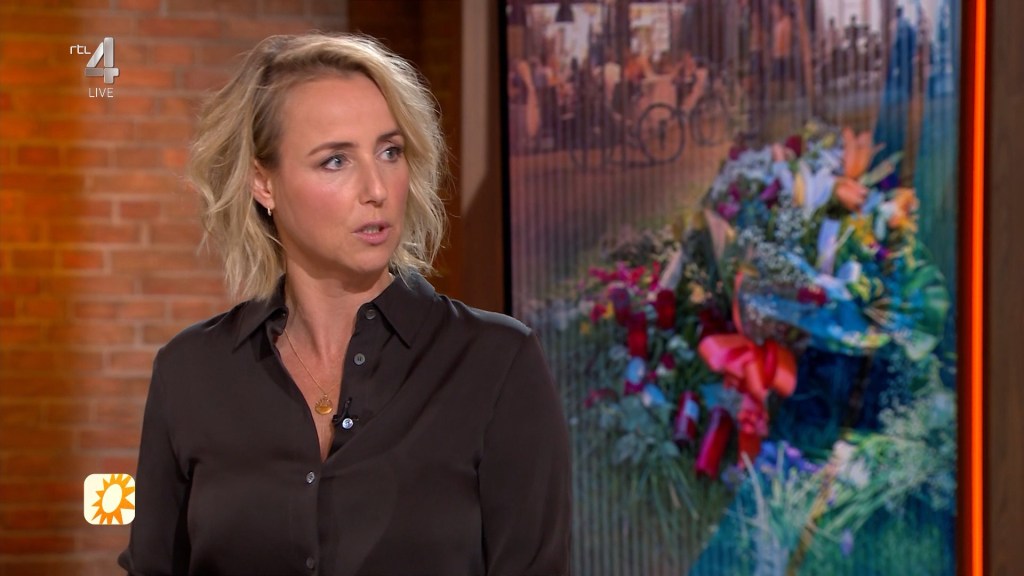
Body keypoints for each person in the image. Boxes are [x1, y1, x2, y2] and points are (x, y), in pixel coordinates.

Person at [117, 32, 571, 576]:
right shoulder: (190, 373)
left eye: (390, 152)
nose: (376, 188)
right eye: (336, 161)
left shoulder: (495, 363)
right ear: (263, 183)